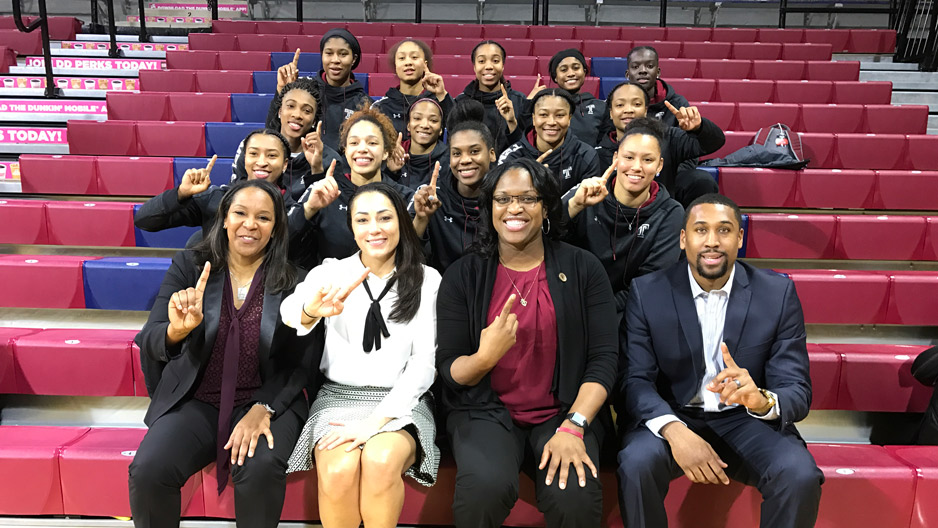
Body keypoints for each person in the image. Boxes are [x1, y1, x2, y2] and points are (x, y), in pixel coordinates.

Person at [616, 193, 824, 528]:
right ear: (683, 239)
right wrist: (674, 430)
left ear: (740, 238)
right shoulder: (647, 291)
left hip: (747, 420)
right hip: (675, 414)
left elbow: (797, 389)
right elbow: (634, 379)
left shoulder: (777, 293)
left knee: (798, 475)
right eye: (700, 230)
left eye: (724, 230)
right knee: (637, 463)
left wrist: (761, 400)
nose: (712, 242)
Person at [436, 157, 618, 527]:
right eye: (502, 199)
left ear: (546, 206)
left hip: (562, 411)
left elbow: (603, 359)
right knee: (483, 491)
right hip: (484, 410)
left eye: (528, 199)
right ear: (490, 208)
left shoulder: (584, 268)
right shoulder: (463, 274)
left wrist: (574, 425)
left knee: (576, 497)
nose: (514, 209)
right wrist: (485, 357)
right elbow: (451, 369)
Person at [129, 179, 319, 528]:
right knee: (150, 469)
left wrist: (264, 408)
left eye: (263, 218)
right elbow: (151, 338)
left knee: (259, 468)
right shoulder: (190, 265)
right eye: (240, 214)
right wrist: (178, 331)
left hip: (266, 400)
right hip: (197, 398)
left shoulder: (296, 280)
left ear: (276, 229)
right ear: (225, 219)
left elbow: (302, 365)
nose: (250, 224)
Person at [281, 182, 441, 528]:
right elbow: (290, 312)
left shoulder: (426, 279)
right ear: (351, 228)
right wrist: (311, 309)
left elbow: (424, 364)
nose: (375, 229)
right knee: (339, 468)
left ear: (401, 221)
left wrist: (376, 422)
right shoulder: (331, 272)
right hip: (339, 397)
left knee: (381, 460)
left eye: (384, 218)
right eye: (363, 220)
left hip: (402, 402)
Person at [562, 117, 684, 314]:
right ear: (615, 159)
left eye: (647, 160)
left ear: (659, 165)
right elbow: (545, 236)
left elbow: (651, 283)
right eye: (628, 157)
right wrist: (574, 206)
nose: (637, 167)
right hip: (574, 300)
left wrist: (598, 308)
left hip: (631, 308)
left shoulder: (670, 213)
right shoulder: (584, 193)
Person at [288, 105, 415, 269]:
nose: (362, 149)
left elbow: (413, 255)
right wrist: (308, 209)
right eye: (354, 142)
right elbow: (284, 243)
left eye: (372, 142)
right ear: (346, 151)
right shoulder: (325, 190)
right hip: (332, 289)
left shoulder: (404, 197)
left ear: (385, 152)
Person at [134, 129, 294, 247]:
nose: (261, 162)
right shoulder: (215, 199)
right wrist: (181, 193)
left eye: (271, 155)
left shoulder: (294, 209)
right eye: (253, 154)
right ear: (244, 158)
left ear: (285, 164)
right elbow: (145, 220)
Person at [596, 81, 722, 208]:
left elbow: (714, 142)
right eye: (620, 105)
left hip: (662, 216)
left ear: (646, 110)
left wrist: (698, 128)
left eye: (637, 104)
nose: (628, 110)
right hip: (614, 217)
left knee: (701, 179)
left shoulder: (667, 137)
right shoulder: (597, 152)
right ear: (611, 113)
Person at [412, 98, 494, 272]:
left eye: (474, 151)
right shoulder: (433, 195)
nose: (465, 160)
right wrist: (421, 218)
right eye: (456, 153)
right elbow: (408, 252)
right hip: (444, 286)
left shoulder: (505, 195)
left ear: (492, 154)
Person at [233, 76, 344, 201]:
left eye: (307, 111)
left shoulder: (330, 159)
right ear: (280, 111)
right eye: (290, 106)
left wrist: (316, 170)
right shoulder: (253, 147)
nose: (297, 115)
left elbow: (330, 211)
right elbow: (235, 195)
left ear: (314, 120)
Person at [273, 29, 371, 151]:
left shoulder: (364, 104)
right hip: (305, 166)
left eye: (343, 54)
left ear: (354, 59)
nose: (335, 60)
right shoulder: (306, 91)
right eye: (329, 53)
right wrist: (282, 92)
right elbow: (273, 133)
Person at [497, 88, 601, 194]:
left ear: (569, 119)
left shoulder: (586, 155)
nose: (551, 122)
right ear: (533, 118)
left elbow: (589, 206)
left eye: (560, 115)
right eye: (543, 115)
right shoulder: (511, 157)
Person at [455, 40, 530, 154]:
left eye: (495, 61)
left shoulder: (519, 101)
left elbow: (525, 150)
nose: (489, 66)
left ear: (503, 66)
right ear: (474, 67)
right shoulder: (461, 103)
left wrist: (511, 122)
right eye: (481, 61)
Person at [373, 38, 455, 137]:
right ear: (395, 66)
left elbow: (459, 129)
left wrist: (442, 94)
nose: (408, 62)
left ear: (425, 64)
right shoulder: (381, 107)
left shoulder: (439, 101)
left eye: (414, 57)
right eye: (402, 58)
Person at [389, 97, 450, 191]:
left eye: (433, 120)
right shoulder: (394, 155)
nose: (425, 125)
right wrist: (390, 172)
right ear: (408, 125)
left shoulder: (450, 159)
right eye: (417, 118)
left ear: (441, 129)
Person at [547, 49, 605, 146]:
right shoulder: (544, 106)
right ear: (555, 77)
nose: (571, 74)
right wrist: (528, 102)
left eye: (576, 68)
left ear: (584, 72)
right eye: (563, 70)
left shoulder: (601, 107)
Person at [624, 46, 689, 129]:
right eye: (636, 67)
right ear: (627, 74)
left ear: (658, 72)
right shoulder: (616, 104)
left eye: (650, 66)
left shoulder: (678, 104)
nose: (643, 70)